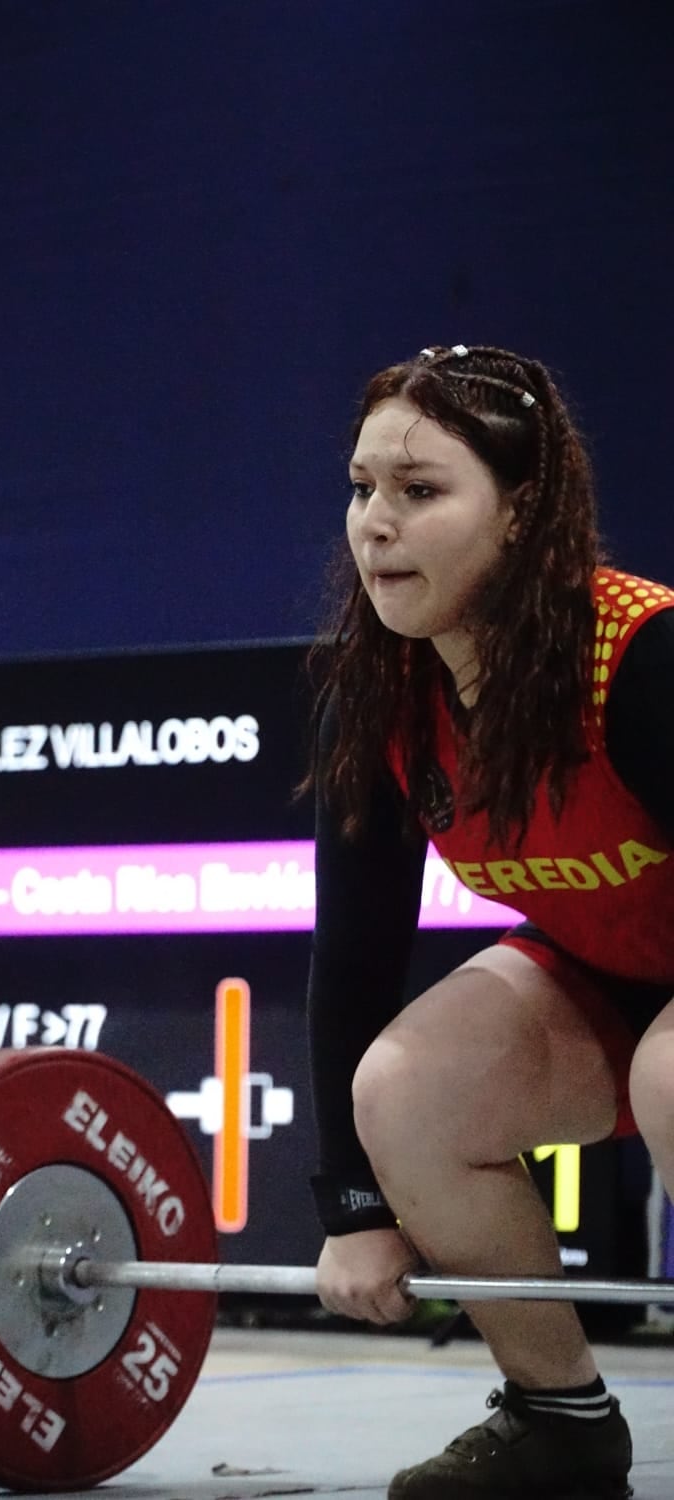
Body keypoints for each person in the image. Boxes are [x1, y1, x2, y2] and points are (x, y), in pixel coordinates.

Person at [306, 343, 674, 1500]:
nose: (376, 523)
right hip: (609, 974)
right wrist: (353, 1208)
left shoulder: (645, 658)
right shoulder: (383, 693)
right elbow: (355, 958)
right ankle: (558, 1421)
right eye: (363, 489)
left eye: (420, 492)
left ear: (519, 514)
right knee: (401, 1091)